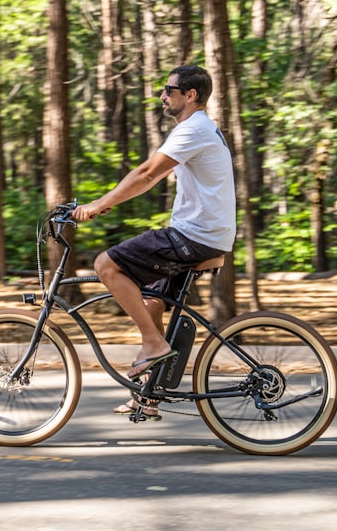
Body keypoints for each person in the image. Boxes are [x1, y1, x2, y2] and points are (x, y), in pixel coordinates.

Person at [72, 65, 236, 416]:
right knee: (153, 303)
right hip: (205, 234)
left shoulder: (194, 128)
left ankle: (153, 343)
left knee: (106, 264)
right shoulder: (199, 129)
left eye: (168, 89)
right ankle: (148, 394)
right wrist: (110, 202)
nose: (163, 95)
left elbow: (147, 173)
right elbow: (152, 177)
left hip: (196, 236)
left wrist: (100, 204)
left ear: (190, 95)